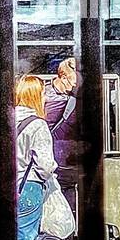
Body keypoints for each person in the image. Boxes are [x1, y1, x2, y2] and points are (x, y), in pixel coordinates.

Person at [15, 74, 66, 240]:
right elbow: (45, 165)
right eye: (43, 93)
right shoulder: (37, 125)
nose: (46, 97)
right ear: (35, 96)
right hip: (27, 189)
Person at [43, 58, 81, 217]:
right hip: (51, 165)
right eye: (74, 80)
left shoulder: (44, 94)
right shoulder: (47, 97)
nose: (76, 85)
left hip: (63, 167)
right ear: (63, 77)